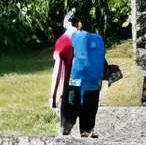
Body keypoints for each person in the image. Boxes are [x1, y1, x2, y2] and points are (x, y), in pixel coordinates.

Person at [47, 8, 110, 138]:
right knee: (86, 134)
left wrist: (53, 97)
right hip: (93, 90)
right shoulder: (94, 39)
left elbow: (58, 71)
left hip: (73, 88)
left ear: (68, 23)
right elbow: (103, 67)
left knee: (65, 134)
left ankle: (66, 140)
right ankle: (87, 136)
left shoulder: (65, 40)